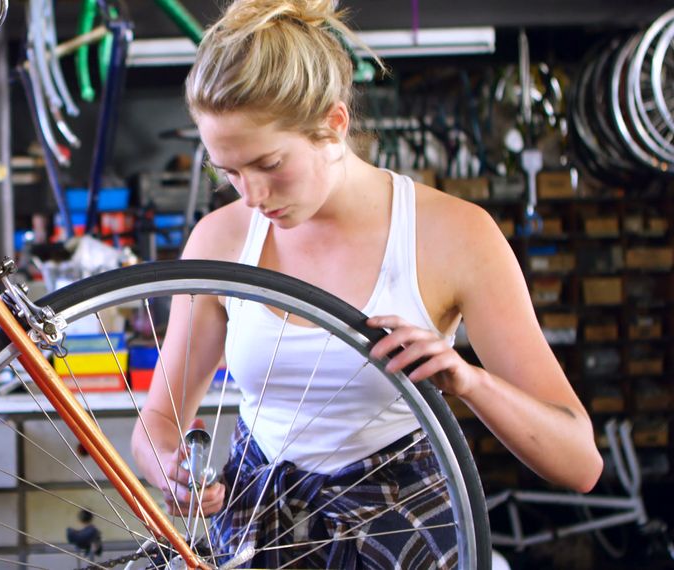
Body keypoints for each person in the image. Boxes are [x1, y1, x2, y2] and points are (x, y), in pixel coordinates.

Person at [130, 0, 603, 567]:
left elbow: (580, 463)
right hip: (261, 530)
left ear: (334, 123)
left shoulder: (455, 236)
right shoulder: (220, 239)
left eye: (269, 163)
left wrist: (468, 382)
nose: (251, 196)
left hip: (403, 531)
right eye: (227, 172)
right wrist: (174, 471)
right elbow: (157, 424)